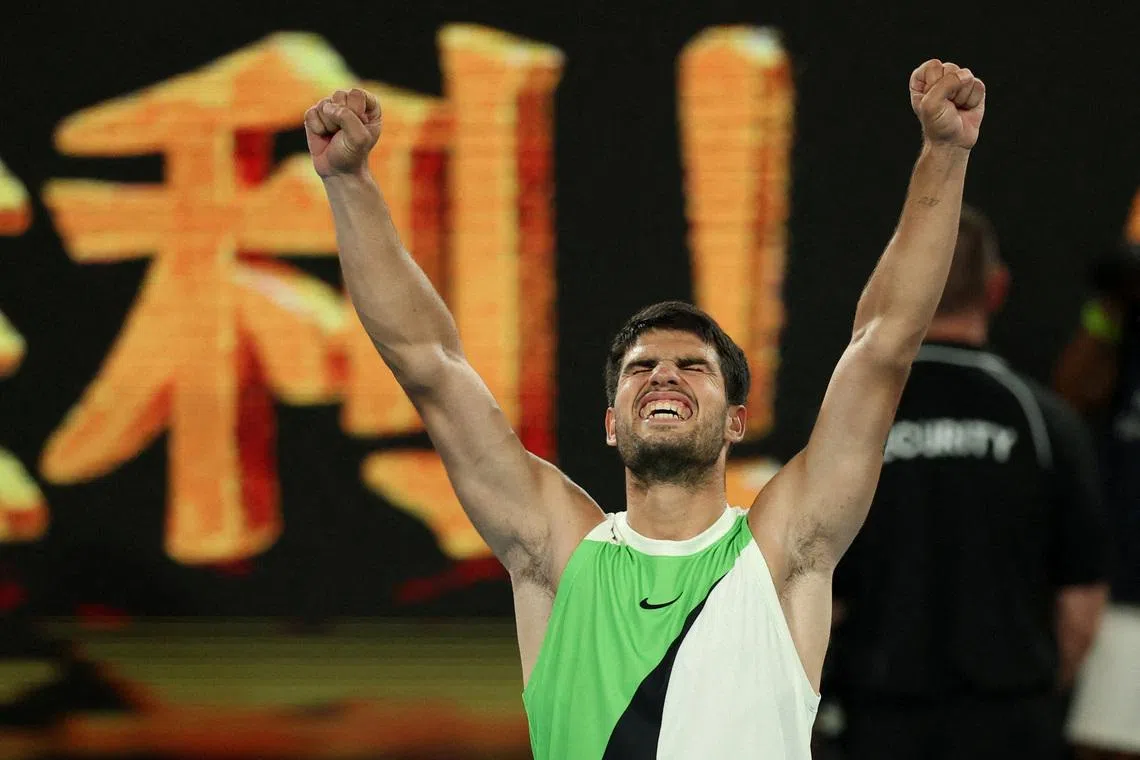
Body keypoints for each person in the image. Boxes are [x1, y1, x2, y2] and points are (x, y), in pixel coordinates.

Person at [305, 59, 986, 759]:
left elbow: (882, 347)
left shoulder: (784, 552)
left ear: (735, 421)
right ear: (611, 423)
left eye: (693, 367)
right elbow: (429, 365)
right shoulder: (557, 552)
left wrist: (945, 152)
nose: (664, 374)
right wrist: (348, 182)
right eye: (640, 370)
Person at [829, 206, 1109, 760]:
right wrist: (1034, 695)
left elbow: (817, 594)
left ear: (894, 287)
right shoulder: (1045, 423)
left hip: (880, 720)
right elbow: (1081, 606)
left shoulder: (852, 422)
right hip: (1011, 721)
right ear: (996, 288)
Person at [1055, 242, 1140, 760]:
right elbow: (1070, 395)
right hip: (1127, 587)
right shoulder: (1126, 329)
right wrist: (1109, 310)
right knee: (1102, 745)